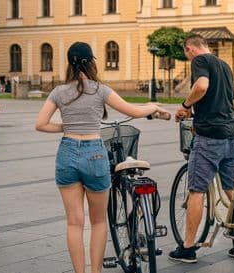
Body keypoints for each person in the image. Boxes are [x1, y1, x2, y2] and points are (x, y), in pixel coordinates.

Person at [35, 42, 170, 273]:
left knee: (74, 223)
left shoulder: (58, 92)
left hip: (67, 152)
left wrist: (66, 127)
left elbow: (40, 124)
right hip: (94, 152)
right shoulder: (100, 90)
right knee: (98, 222)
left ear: (69, 63)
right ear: (92, 62)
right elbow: (134, 112)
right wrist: (153, 106)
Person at [168, 34, 234, 263]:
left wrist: (185, 105)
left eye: (186, 53)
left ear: (190, 48)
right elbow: (230, 102)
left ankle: (188, 247)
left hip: (209, 136)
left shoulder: (200, 61)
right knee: (232, 189)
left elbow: (202, 86)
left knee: (196, 190)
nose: (188, 57)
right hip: (230, 133)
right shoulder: (224, 65)